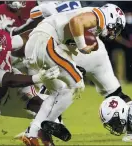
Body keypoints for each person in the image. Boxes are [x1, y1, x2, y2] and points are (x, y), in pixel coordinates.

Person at [18, 3, 127, 145]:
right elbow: (76, 21)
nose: (114, 32)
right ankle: (46, 125)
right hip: (45, 41)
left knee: (58, 90)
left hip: (38, 44)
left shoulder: (90, 21)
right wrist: (82, 46)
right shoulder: (100, 15)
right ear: (112, 17)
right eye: (116, 27)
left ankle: (31, 133)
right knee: (76, 84)